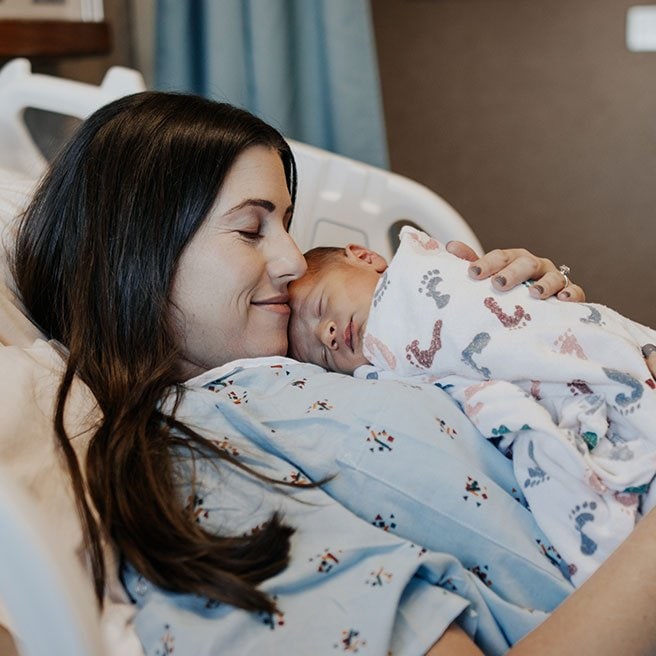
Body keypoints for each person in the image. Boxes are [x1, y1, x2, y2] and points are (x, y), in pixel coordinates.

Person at [4, 89, 656, 656]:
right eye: (251, 230)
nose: (292, 260)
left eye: (285, 224)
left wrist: (521, 324)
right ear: (139, 256)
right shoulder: (195, 466)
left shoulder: (334, 356)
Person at [288, 225, 656, 586]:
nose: (327, 335)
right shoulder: (380, 378)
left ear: (365, 257)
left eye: (321, 306)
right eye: (321, 352)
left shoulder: (422, 272)